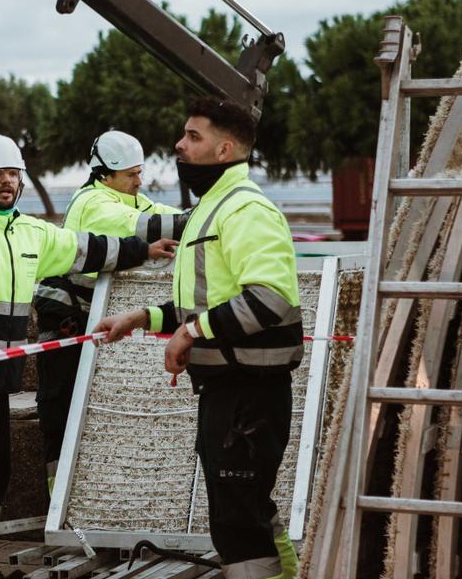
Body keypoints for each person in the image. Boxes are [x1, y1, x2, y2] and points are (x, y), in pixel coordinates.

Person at [0, 134, 177, 579]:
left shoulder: (30, 232)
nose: (6, 182)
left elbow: (89, 248)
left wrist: (144, 250)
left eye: (13, 174)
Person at [94, 98, 303, 579]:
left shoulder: (246, 209)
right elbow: (208, 302)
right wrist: (144, 316)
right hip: (230, 389)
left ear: (224, 148)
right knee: (245, 507)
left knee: (237, 520)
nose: (179, 144)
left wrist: (190, 331)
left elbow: (271, 297)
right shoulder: (212, 208)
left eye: (193, 137)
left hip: (250, 391)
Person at [33, 130, 187, 490]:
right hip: (67, 319)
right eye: (131, 174)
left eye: (139, 172)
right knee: (64, 411)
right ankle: (60, 501)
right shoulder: (92, 203)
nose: (139, 180)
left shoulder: (128, 198)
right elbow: (147, 229)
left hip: (92, 315)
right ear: (106, 175)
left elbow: (170, 216)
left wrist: (205, 217)